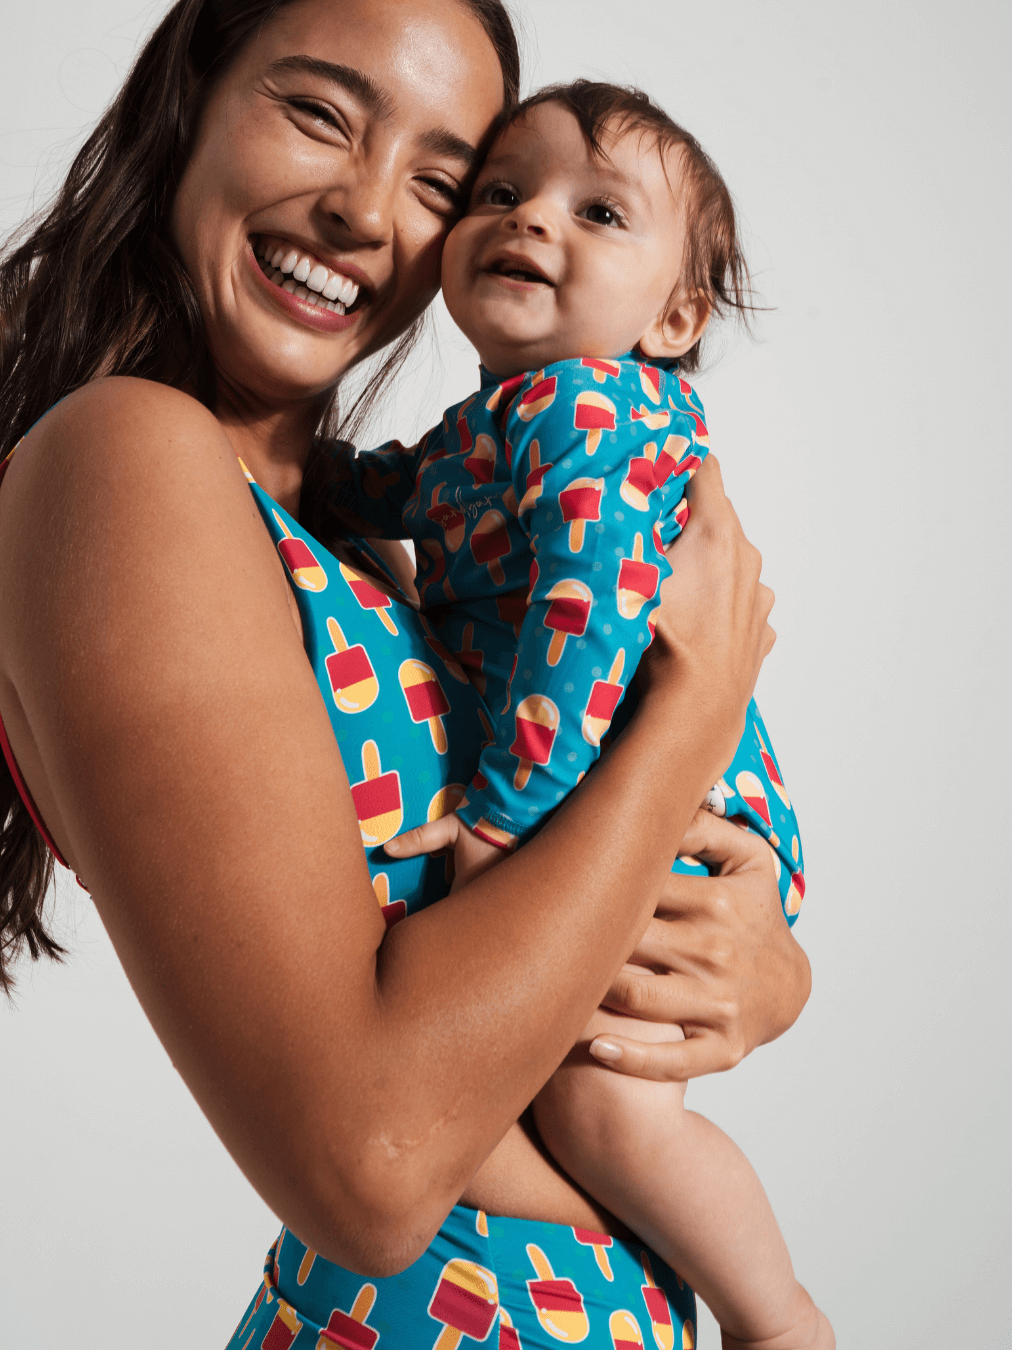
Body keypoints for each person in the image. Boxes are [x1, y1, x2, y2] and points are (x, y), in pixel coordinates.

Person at [0, 2, 811, 1346]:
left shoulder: (368, 528)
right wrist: (697, 711)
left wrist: (761, 972)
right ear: (190, 103)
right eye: (319, 113)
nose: (366, 213)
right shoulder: (127, 457)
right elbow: (368, 1164)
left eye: (441, 179)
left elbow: (544, 933)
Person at [318, 79, 831, 1347]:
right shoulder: (497, 417)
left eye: (597, 210)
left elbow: (584, 629)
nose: (530, 219)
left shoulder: (591, 412)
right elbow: (381, 487)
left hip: (666, 802)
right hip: (609, 785)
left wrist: (500, 822)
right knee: (565, 1088)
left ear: (674, 315)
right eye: (499, 192)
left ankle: (778, 1320)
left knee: (607, 1113)